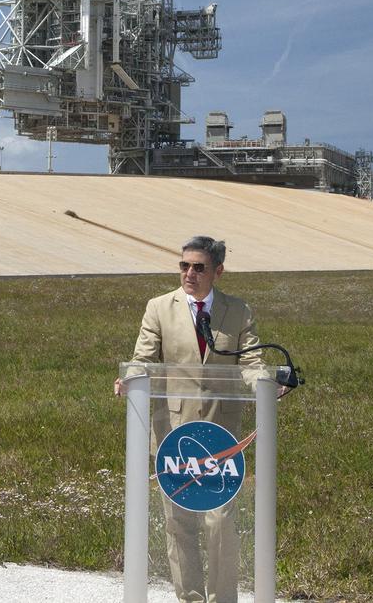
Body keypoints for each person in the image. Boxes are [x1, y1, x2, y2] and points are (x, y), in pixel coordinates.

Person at [115, 235, 264, 603]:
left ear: (218, 271)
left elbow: (251, 361)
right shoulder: (158, 308)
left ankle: (222, 598)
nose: (189, 273)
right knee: (179, 523)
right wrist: (130, 376)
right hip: (173, 434)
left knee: (220, 522)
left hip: (220, 438)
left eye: (199, 267)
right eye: (184, 266)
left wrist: (266, 383)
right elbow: (144, 358)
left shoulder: (238, 311)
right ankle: (191, 598)